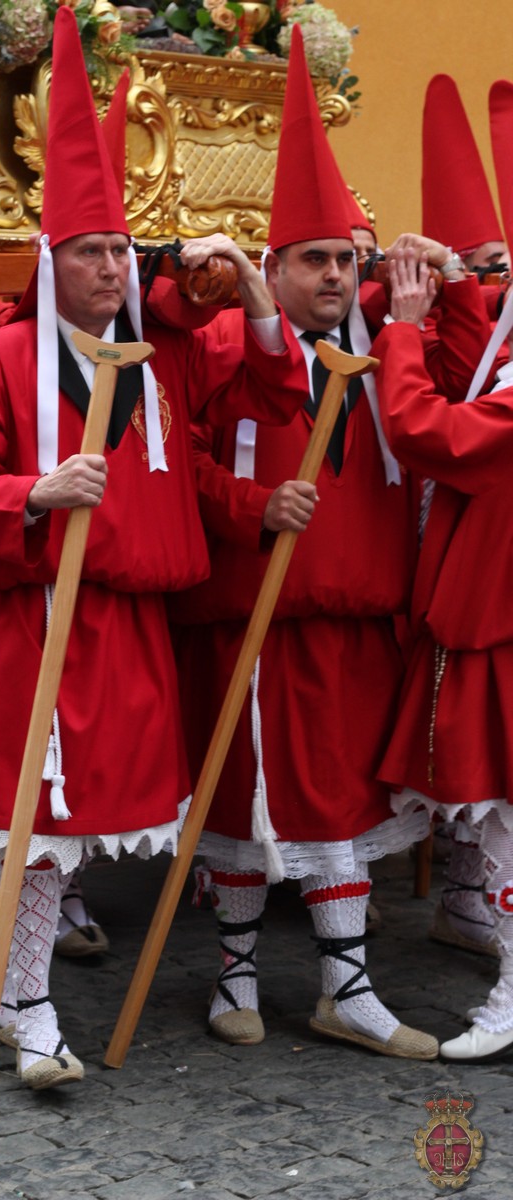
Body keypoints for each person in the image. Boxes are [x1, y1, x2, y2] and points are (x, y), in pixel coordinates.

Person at [0, 7, 309, 1092]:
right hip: (27, 621)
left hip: (123, 632)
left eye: (118, 250)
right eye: (87, 251)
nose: (106, 266)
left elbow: (267, 394)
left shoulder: (156, 360)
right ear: (52, 265)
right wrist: (34, 492)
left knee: (76, 825)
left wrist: (255, 295)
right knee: (37, 824)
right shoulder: (2, 359)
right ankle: (27, 1005)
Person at [170, 26, 440, 1061]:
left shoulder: (388, 343)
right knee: (247, 800)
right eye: (313, 260)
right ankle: (234, 977)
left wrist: (437, 272)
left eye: (346, 259)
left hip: (358, 618)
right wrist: (248, 507)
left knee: (339, 805)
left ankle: (344, 989)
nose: (334, 275)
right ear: (273, 267)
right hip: (256, 615)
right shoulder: (221, 344)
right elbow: (177, 462)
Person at [373, 246, 513, 1060]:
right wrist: (459, 294)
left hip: (497, 626)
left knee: (504, 820)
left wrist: (402, 329)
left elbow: (428, 431)